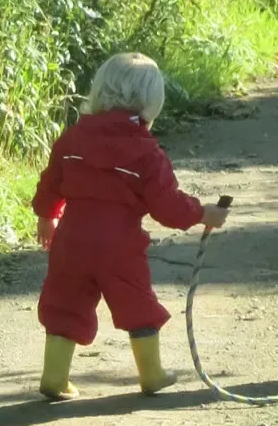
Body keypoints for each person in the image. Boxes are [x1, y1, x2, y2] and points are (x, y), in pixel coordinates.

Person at [32, 52, 230, 400]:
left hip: (71, 242)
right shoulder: (146, 152)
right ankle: (151, 374)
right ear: (151, 103)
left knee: (65, 303)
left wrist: (47, 217)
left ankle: (55, 376)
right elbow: (167, 206)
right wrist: (203, 212)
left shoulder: (72, 139)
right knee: (136, 303)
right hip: (118, 247)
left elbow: (51, 183)